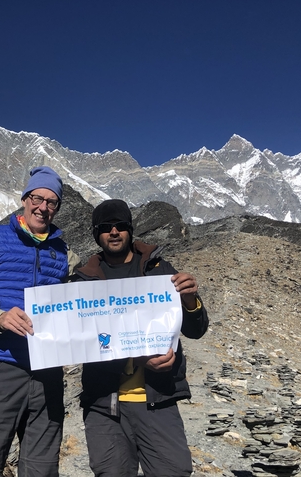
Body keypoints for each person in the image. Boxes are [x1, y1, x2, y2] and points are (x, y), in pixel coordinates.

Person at [0, 166, 80, 477]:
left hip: (47, 373)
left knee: (42, 468)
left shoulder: (64, 254)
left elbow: (91, 298)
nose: (43, 207)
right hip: (1, 368)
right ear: (24, 199)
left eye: (52, 202)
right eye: (37, 198)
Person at [72, 199, 208, 477]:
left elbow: (196, 330)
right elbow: (77, 341)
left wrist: (191, 299)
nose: (113, 232)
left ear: (130, 230)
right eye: (106, 227)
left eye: (120, 226)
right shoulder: (83, 282)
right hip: (104, 404)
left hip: (158, 398)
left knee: (173, 471)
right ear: (96, 234)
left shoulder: (159, 270)